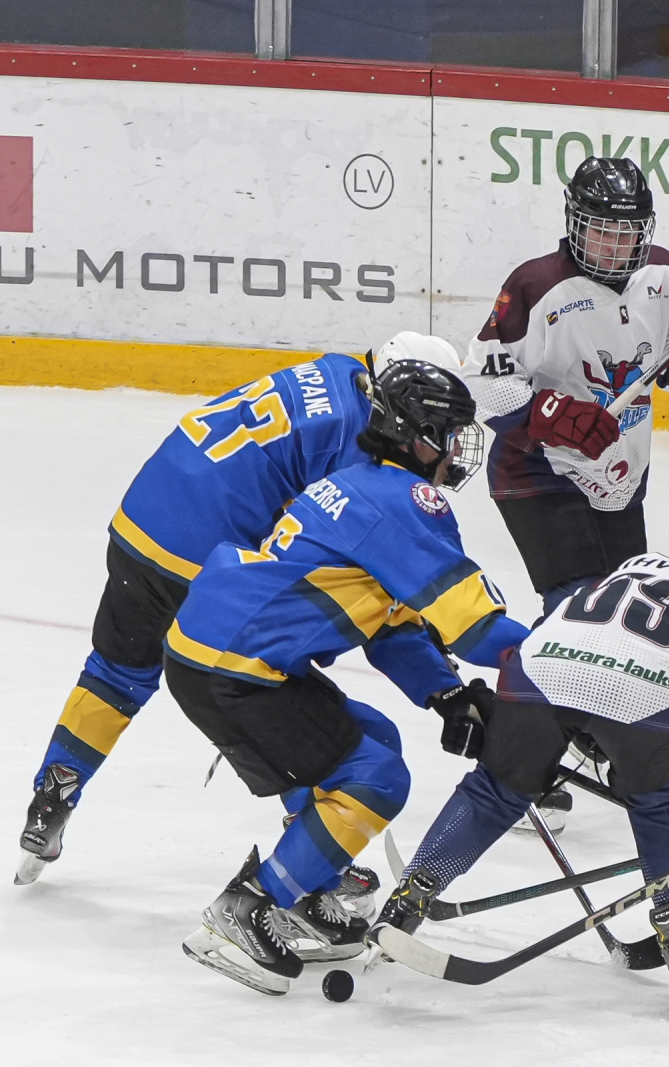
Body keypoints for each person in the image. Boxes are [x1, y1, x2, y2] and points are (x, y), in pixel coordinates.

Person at [15, 331, 464, 887]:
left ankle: (52, 796)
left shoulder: (338, 370)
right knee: (267, 686)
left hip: (140, 521)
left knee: (114, 674)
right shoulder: (361, 439)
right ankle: (312, 845)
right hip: (203, 557)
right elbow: (340, 551)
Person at [164, 358, 531, 996]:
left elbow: (390, 627)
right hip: (237, 670)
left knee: (375, 738)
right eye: (450, 433)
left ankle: (308, 887)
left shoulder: (360, 481)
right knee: (377, 778)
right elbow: (476, 630)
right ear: (420, 437)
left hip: (223, 652)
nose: (458, 449)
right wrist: (554, 661)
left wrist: (446, 695)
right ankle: (248, 907)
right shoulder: (406, 501)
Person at [372, 533, 669, 1014]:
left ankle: (411, 895)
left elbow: (569, 629)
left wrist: (575, 729)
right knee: (660, 802)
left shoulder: (636, 566)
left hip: (541, 666)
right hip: (643, 689)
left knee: (494, 790)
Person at [466, 156, 669, 617]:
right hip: (538, 470)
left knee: (622, 612)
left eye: (628, 232)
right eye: (602, 231)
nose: (616, 246)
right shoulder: (536, 285)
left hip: (620, 472)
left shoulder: (666, 278)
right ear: (575, 222)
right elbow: (480, 381)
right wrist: (553, 416)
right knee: (577, 609)